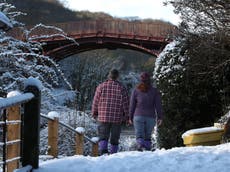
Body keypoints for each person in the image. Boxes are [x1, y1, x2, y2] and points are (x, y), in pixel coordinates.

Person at [92, 69, 129, 155]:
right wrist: (127, 117)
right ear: (117, 77)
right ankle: (113, 154)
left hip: (103, 116)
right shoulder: (121, 88)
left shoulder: (101, 86)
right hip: (117, 117)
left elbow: (95, 101)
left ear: (109, 76)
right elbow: (126, 104)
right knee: (115, 137)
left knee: (103, 135)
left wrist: (94, 112)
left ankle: (103, 151)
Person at [129, 72, 163, 151]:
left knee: (139, 134)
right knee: (148, 136)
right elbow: (158, 105)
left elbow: (132, 105)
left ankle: (140, 146)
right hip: (150, 117)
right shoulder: (155, 91)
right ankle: (147, 150)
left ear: (140, 80)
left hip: (138, 116)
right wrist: (160, 117)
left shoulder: (136, 91)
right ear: (150, 80)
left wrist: (130, 117)